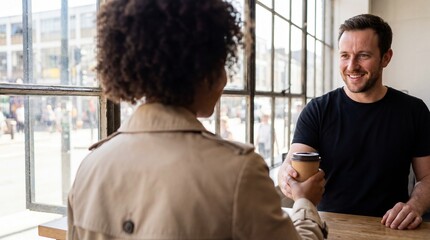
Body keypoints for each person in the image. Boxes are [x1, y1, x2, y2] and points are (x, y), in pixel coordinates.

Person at [67, 0, 327, 239]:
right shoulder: (236, 172)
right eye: (222, 64)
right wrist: (305, 203)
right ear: (205, 70)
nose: (225, 80)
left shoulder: (90, 167)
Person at [278, 13, 430, 230]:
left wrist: (415, 206)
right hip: (329, 225)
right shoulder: (318, 110)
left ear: (386, 57)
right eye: (344, 55)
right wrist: (286, 175)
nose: (351, 66)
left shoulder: (414, 110)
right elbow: (295, 161)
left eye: (363, 55)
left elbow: (427, 176)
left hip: (391, 228)